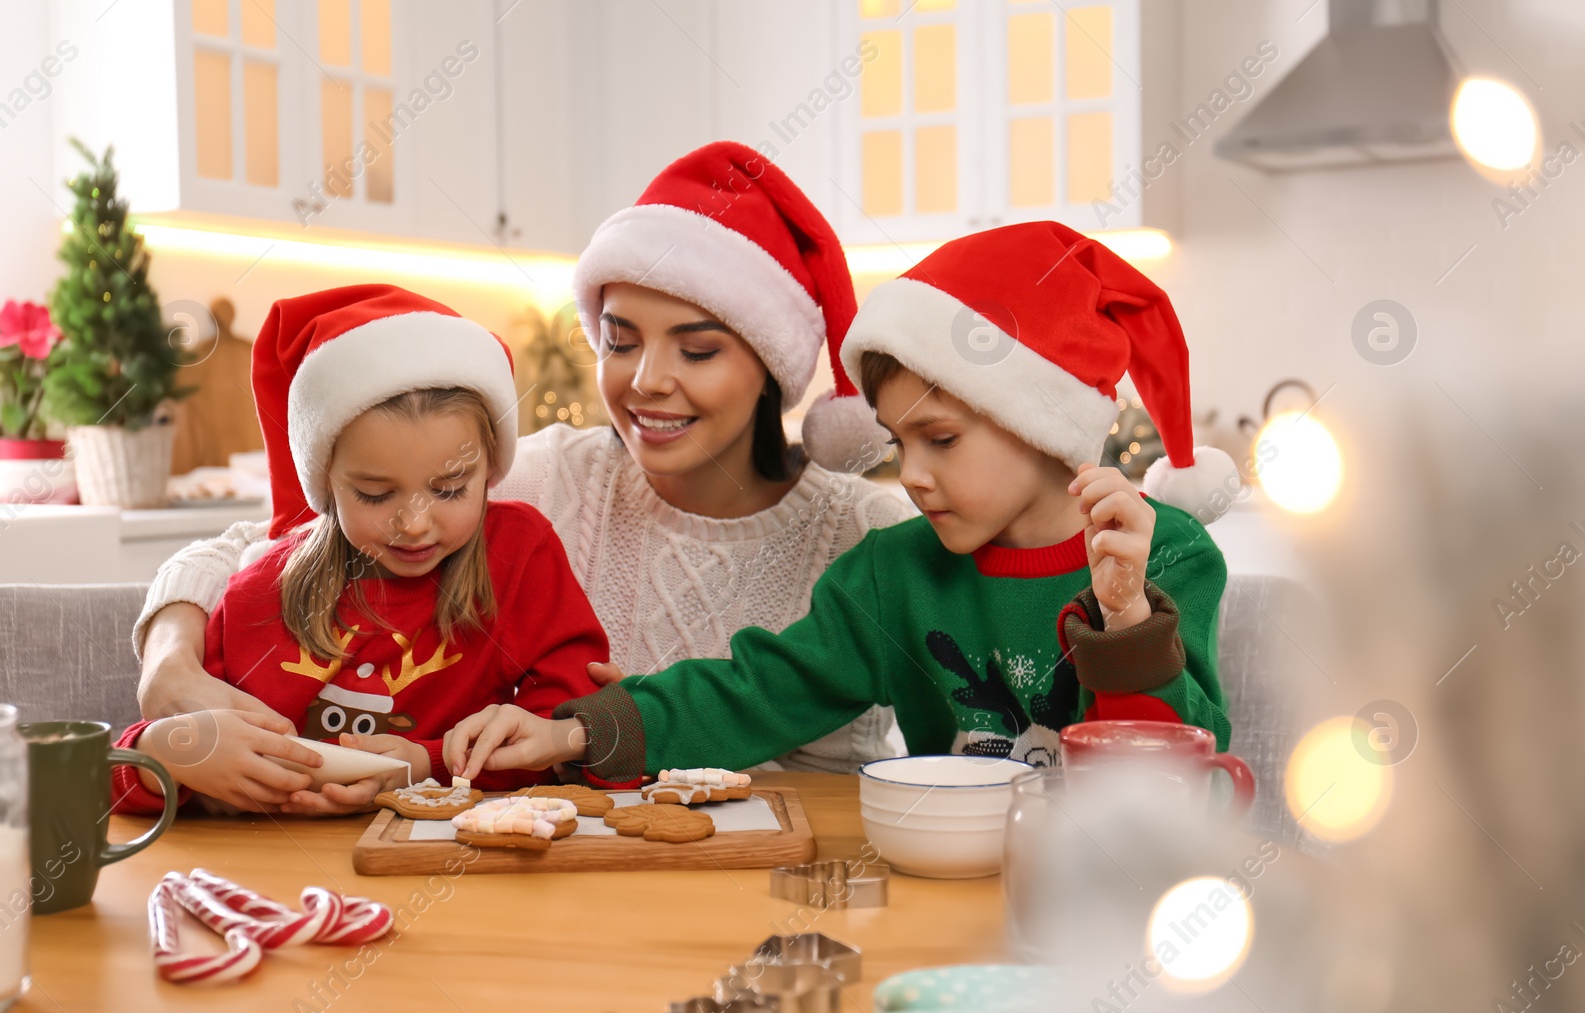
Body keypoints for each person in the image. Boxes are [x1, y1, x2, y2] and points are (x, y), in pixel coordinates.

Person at [130, 142, 911, 782]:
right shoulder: (545, 480)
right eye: (621, 338)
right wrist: (171, 658)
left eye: (697, 348)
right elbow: (267, 546)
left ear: (773, 364)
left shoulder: (869, 530)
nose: (646, 380)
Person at [443, 221, 1239, 785]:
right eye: (900, 443)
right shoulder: (896, 571)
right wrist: (579, 729)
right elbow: (758, 687)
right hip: (947, 882)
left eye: (942, 439)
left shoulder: (1163, 553)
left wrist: (1128, 618)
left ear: (1041, 425)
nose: (914, 475)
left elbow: (1183, 753)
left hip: (1118, 890)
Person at [111, 286, 610, 815]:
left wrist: (428, 764)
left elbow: (571, 733)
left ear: (491, 467)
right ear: (325, 485)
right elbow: (120, 771)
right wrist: (167, 755)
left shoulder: (519, 556)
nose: (414, 525)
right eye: (374, 494)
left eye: (449, 489)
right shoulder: (260, 591)